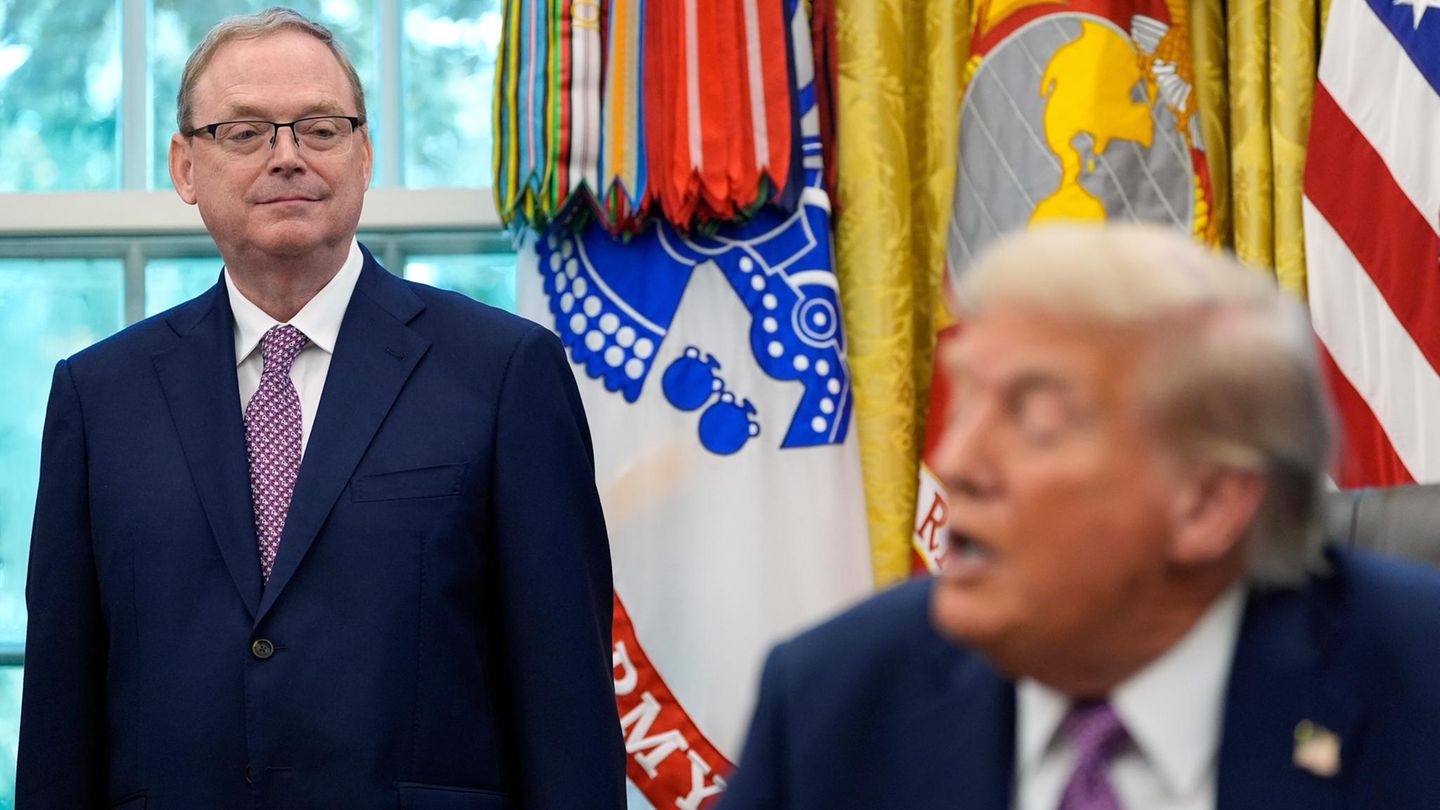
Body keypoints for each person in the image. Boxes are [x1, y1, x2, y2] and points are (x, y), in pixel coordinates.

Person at [15, 8, 624, 809]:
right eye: (244, 132)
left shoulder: (506, 374)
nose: (288, 156)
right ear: (185, 168)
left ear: (364, 156)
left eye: (321, 128)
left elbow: (568, 712)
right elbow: (59, 718)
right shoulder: (99, 397)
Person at [720, 224, 1440, 809]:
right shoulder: (836, 701)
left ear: (1207, 502)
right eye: (964, 404)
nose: (957, 462)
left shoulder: (1416, 689)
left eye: (1036, 418)